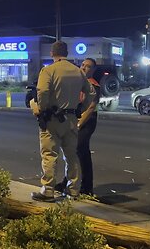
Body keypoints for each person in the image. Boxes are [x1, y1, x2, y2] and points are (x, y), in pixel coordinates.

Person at [30, 41, 95, 202]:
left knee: (49, 154)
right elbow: (91, 93)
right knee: (71, 155)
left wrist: (42, 108)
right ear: (66, 53)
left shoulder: (48, 70)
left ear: (52, 53)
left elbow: (43, 91)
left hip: (52, 119)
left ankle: (48, 190)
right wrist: (81, 108)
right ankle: (73, 190)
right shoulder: (77, 71)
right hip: (72, 119)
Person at [54, 58, 101, 196]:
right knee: (72, 151)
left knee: (80, 151)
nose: (84, 68)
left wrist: (80, 124)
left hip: (87, 120)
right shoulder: (78, 83)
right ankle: (69, 182)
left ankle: (86, 187)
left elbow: (91, 107)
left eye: (88, 67)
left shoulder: (94, 85)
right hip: (76, 118)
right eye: (83, 65)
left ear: (93, 70)